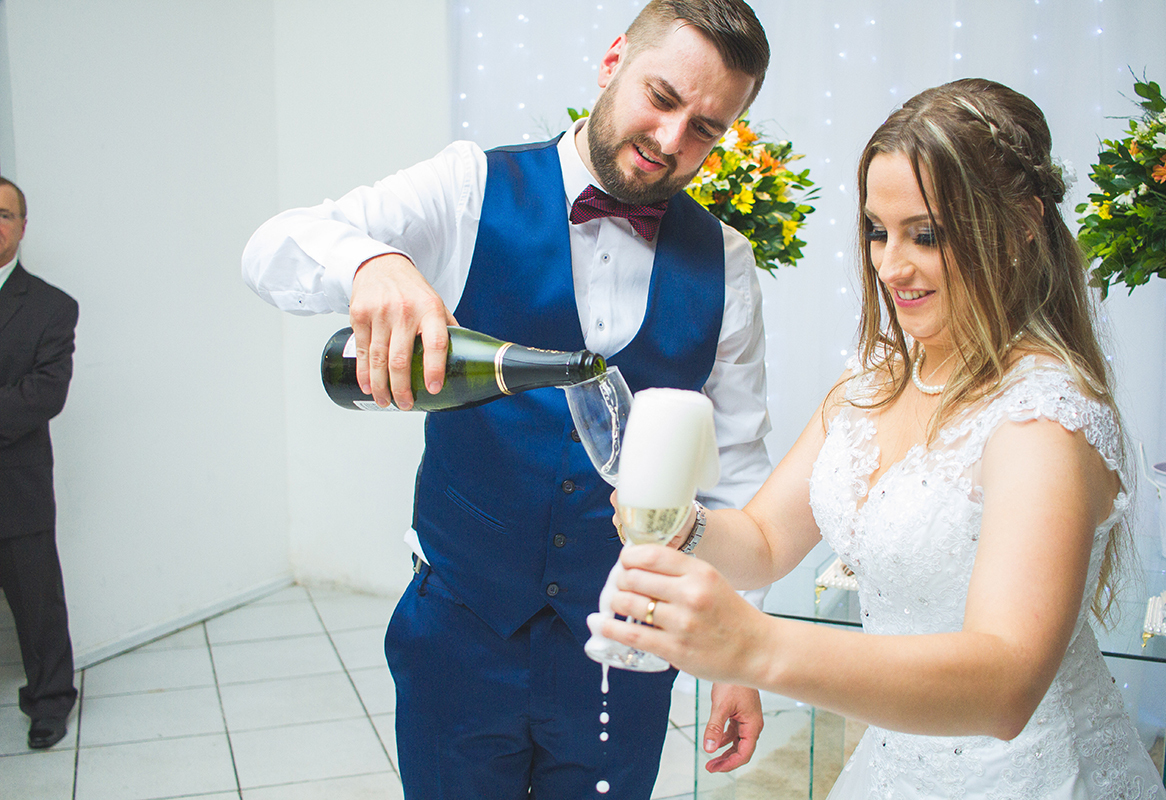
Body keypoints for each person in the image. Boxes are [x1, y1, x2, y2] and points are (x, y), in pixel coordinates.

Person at [242, 2, 773, 796]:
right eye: (662, 98)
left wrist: (743, 649)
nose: (671, 143)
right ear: (613, 60)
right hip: (460, 633)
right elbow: (271, 248)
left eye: (705, 129)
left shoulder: (727, 264)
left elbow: (738, 466)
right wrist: (371, 262)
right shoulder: (469, 185)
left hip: (627, 646)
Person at [596, 78, 1166, 798]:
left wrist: (759, 646)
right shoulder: (872, 386)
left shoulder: (1043, 419)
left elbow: (1004, 685)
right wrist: (685, 526)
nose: (891, 265)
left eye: (926, 234)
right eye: (878, 230)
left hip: (1028, 775)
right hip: (897, 760)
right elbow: (767, 543)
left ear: (1023, 223)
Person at [0, 176, 80, 751]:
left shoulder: (52, 307)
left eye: (4, 214)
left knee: (36, 600)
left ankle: (50, 701)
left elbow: (44, 395)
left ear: (23, 228)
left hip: (15, 486)